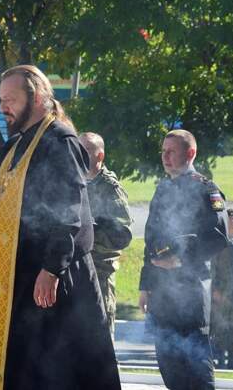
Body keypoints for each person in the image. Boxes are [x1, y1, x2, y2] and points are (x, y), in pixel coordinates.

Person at [0, 64, 120, 389]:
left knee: (60, 372)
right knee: (25, 370)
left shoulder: (61, 140)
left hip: (55, 277)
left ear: (38, 96)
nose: (3, 107)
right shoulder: (17, 144)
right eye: (1, 100)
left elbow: (68, 209)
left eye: (10, 99)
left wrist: (52, 269)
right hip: (22, 276)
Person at [138, 130, 229, 390]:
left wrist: (179, 260)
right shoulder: (163, 187)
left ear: (190, 154)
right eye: (163, 151)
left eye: (171, 151)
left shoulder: (206, 189)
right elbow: (150, 240)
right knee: (169, 368)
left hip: (190, 293)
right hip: (162, 294)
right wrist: (145, 286)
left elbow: (219, 238)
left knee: (195, 370)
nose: (165, 157)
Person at [78, 132, 133, 337]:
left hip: (99, 270)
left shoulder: (110, 188)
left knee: (100, 335)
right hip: (75, 269)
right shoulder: (75, 182)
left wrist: (89, 233)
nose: (79, 155)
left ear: (99, 156)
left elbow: (122, 234)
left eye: (85, 151)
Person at [209, 209, 233, 369]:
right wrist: (214, 290)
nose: (232, 221)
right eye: (229, 218)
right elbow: (212, 269)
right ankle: (219, 357)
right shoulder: (219, 244)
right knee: (220, 327)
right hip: (220, 292)